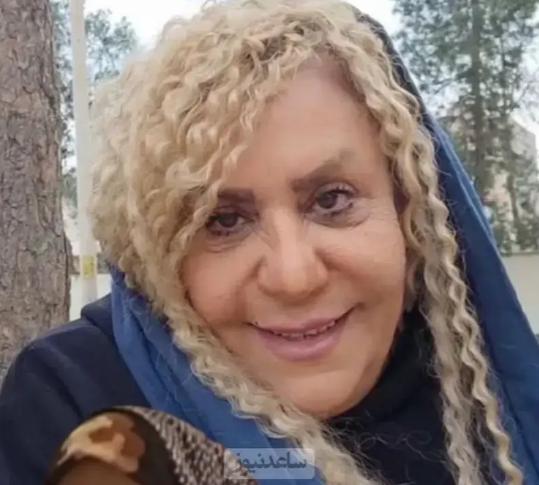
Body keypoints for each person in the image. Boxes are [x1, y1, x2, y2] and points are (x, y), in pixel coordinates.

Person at [1, 1, 539, 484]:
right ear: (158, 258)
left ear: (410, 212)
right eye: (222, 221)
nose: (294, 276)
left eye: (332, 200)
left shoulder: (503, 400)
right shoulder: (73, 397)